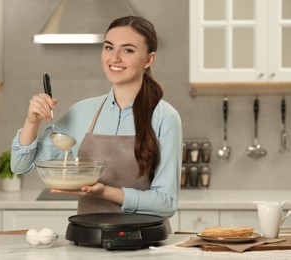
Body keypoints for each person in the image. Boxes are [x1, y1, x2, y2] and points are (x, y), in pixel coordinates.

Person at [11, 16, 182, 233]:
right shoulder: (82, 112)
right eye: (109, 47)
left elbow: (166, 203)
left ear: (149, 59)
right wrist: (31, 122)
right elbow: (20, 166)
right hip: (88, 238)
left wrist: (104, 192)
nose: (114, 58)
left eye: (128, 50)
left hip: (146, 242)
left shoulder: (165, 117)